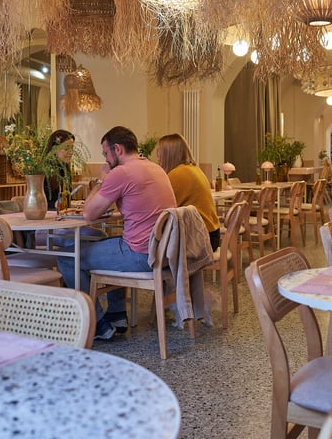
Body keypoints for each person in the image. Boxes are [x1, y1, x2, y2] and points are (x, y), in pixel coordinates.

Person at [57, 126, 176, 340]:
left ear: (117, 149)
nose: (105, 159)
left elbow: (88, 214)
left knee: (67, 256)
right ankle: (117, 314)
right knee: (105, 240)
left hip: (141, 255)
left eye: (106, 153)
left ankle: (96, 324)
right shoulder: (156, 168)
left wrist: (101, 179)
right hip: (165, 252)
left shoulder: (121, 172)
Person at [155, 133, 221, 252]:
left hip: (201, 239)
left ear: (168, 154)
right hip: (212, 233)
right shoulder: (193, 169)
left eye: (159, 153)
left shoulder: (177, 174)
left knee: (152, 244)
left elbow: (162, 209)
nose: (157, 158)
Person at [43, 129, 75, 210]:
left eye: (72, 148)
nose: (71, 152)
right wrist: (54, 204)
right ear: (54, 149)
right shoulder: (43, 171)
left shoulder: (65, 169)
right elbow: (40, 202)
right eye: (66, 148)